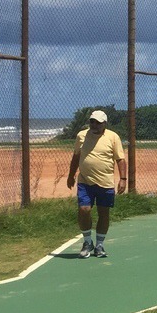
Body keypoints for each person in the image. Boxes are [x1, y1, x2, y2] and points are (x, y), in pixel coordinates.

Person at [66, 109, 127, 258]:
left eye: (98, 123)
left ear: (104, 123)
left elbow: (120, 159)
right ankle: (87, 242)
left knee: (103, 213)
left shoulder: (113, 137)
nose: (94, 125)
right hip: (85, 181)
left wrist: (123, 179)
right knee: (84, 209)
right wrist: (70, 175)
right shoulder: (81, 136)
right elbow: (76, 157)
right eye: (92, 122)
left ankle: (99, 245)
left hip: (105, 183)